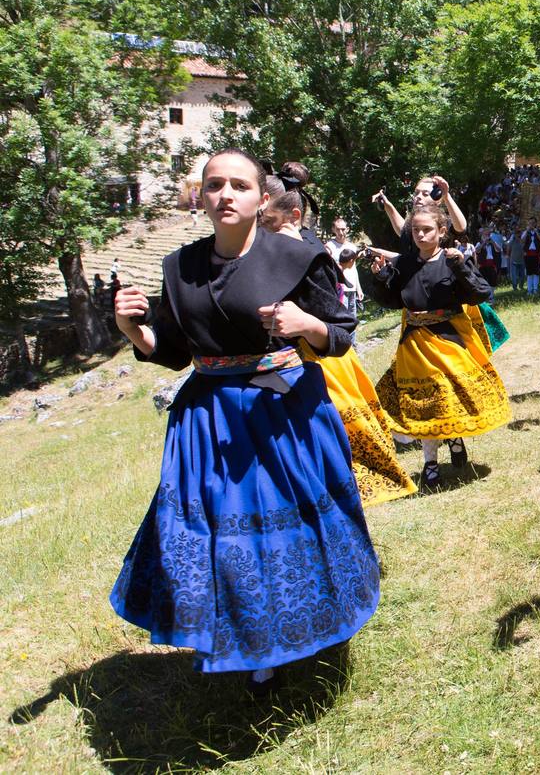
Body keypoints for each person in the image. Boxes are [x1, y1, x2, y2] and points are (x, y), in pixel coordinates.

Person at [109, 148, 379, 689]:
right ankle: (255, 642)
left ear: (262, 197)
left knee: (296, 522)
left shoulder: (297, 258)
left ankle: (315, 617)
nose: (225, 194)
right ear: (200, 197)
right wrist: (137, 334)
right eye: (214, 185)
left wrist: (305, 323)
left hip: (283, 410)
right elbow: (178, 350)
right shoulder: (179, 267)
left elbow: (340, 335)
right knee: (224, 534)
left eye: (239, 185)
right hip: (209, 418)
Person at [259, 166, 416, 507]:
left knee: (340, 432)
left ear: (292, 216)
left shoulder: (309, 253)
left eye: (268, 223)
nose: (262, 231)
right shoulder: (256, 253)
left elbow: (339, 324)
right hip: (273, 372)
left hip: (321, 360)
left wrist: (302, 325)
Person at [368, 207, 510, 483]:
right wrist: (381, 279)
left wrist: (460, 266)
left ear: (442, 232)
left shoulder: (452, 260)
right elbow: (392, 301)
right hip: (414, 344)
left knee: (449, 396)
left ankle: (455, 438)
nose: (420, 235)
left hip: (449, 340)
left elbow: (480, 293)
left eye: (427, 229)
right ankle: (430, 463)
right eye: (416, 230)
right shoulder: (404, 263)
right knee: (424, 404)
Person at [325, 216, 363, 315]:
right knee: (343, 318)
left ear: (347, 229)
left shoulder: (352, 247)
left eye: (343, 229)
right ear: (333, 229)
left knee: (353, 318)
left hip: (352, 289)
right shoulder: (329, 247)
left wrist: (358, 288)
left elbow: (354, 268)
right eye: (338, 229)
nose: (341, 232)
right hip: (339, 289)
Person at [521, 218, 540, 297]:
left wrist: (536, 232)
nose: (531, 224)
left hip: (536, 254)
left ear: (535, 224)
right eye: (530, 223)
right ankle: (529, 290)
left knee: (536, 273)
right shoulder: (525, 232)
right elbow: (522, 241)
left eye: (533, 223)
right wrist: (527, 231)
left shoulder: (539, 231)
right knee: (529, 273)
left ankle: (535, 289)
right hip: (528, 255)